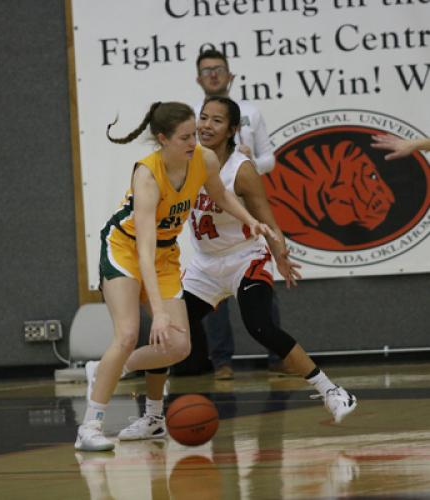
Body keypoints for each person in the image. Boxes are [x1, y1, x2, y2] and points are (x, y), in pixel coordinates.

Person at [113, 97, 357, 441]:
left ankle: (332, 391)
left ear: (232, 129)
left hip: (245, 257)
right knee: (167, 335)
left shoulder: (241, 169)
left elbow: (266, 215)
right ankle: (154, 417)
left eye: (216, 120)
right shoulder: (187, 158)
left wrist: (281, 254)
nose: (206, 125)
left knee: (260, 326)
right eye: (203, 118)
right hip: (205, 264)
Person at [75, 101, 273, 452]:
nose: (194, 142)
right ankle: (90, 425)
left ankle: (114, 377)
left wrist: (249, 219)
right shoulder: (148, 176)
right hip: (125, 250)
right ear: (163, 139)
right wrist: (160, 312)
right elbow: (144, 253)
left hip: (164, 256)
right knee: (128, 334)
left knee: (179, 346)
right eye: (185, 137)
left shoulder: (204, 159)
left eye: (195, 134)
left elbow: (221, 195)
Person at [192, 48, 282, 380]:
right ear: (198, 79)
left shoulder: (251, 113)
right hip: (208, 211)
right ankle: (222, 361)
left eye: (218, 69)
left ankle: (277, 355)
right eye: (206, 70)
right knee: (213, 290)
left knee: (258, 283)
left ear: (230, 76)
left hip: (242, 202)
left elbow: (269, 159)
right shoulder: (193, 117)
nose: (213, 75)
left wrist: (246, 163)